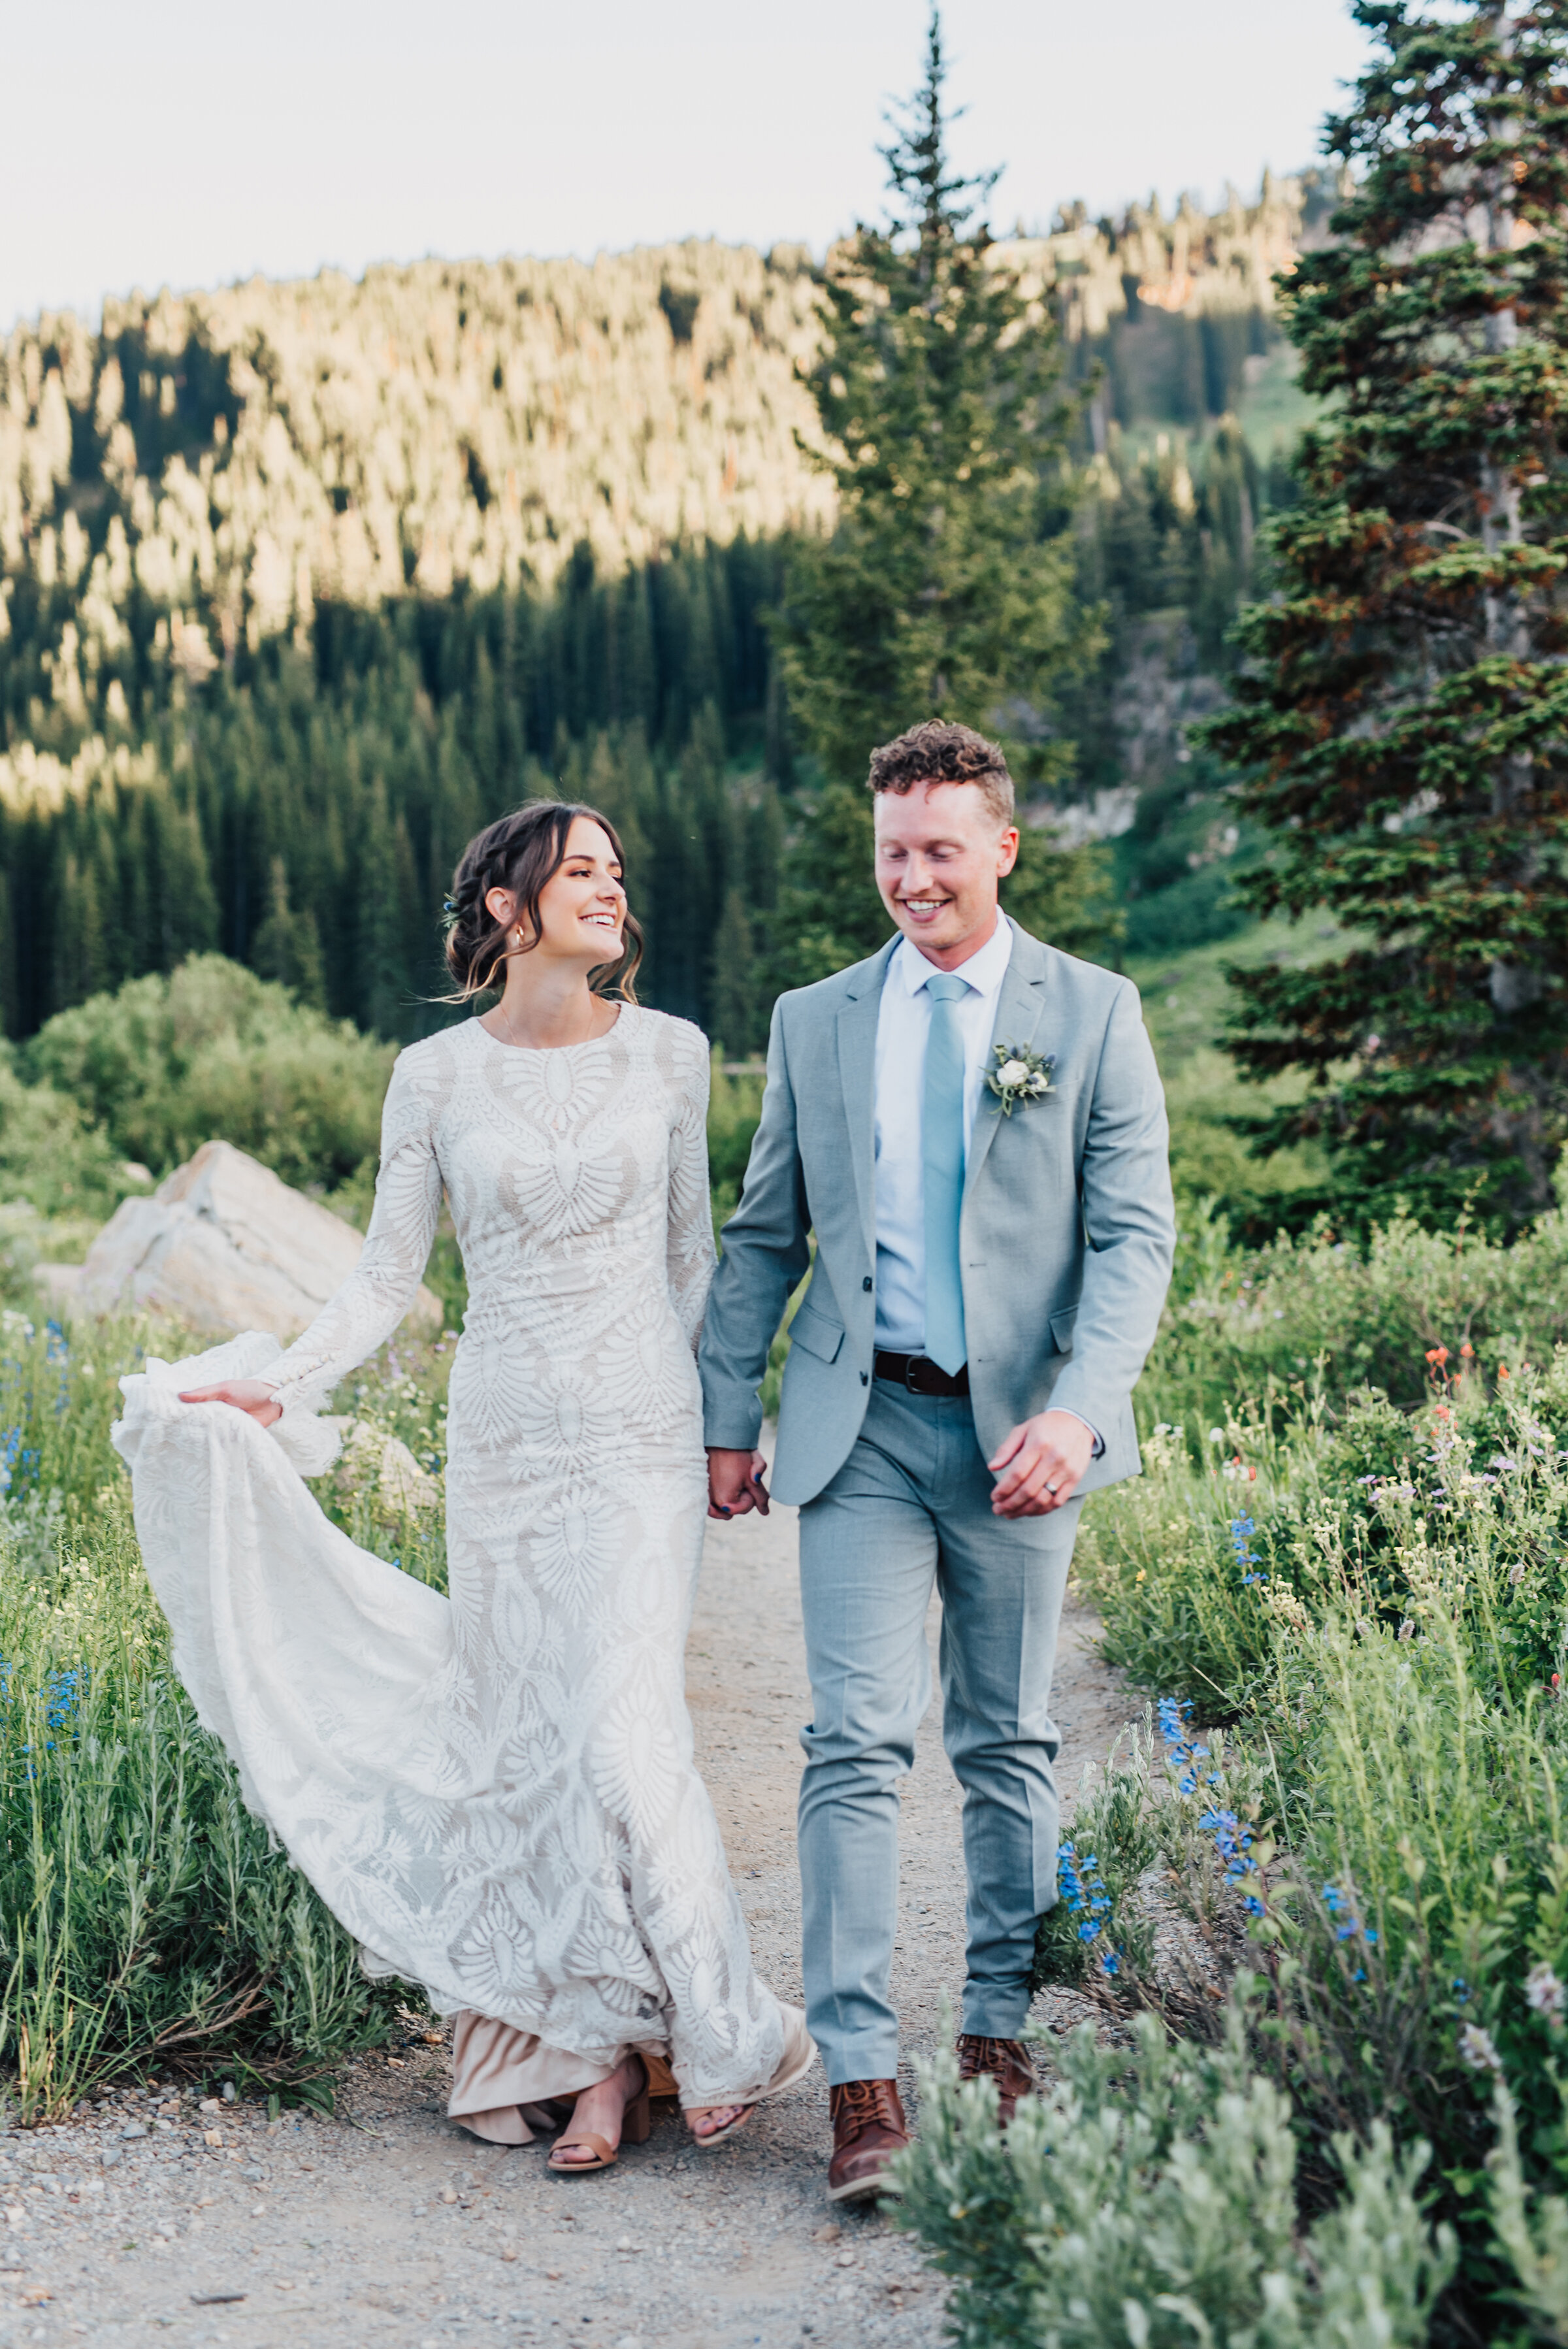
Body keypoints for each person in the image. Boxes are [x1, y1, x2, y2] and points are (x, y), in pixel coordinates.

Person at [112, 800, 813, 2176]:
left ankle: (724, 2026)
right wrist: (281, 1388)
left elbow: (693, 1261)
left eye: (619, 872)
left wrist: (723, 1424)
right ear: (509, 905)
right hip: (498, 1448)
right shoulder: (431, 1077)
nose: (613, 890)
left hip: (632, 1441)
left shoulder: (673, 1054)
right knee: (529, 1747)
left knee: (619, 1733)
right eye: (583, 871)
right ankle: (600, 2062)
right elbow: (387, 1277)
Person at [699, 721, 1175, 2203]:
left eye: (940, 850)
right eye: (893, 850)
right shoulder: (817, 1017)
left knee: (1009, 1741)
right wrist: (728, 1409)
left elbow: (1135, 1238)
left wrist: (1080, 1413)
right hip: (860, 1427)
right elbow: (768, 1229)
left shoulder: (1090, 1011)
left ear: (1002, 849)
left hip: (1025, 1433)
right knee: (852, 1739)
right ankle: (861, 2082)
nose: (911, 877)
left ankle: (999, 2038)